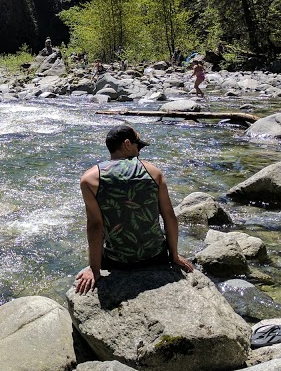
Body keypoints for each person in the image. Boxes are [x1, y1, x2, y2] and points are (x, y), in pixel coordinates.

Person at [74, 124, 194, 294]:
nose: (140, 150)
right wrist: (174, 256)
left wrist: (94, 269)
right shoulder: (154, 172)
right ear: (127, 144)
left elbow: (95, 226)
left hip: (117, 262)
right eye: (139, 146)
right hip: (156, 257)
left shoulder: (90, 179)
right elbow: (169, 216)